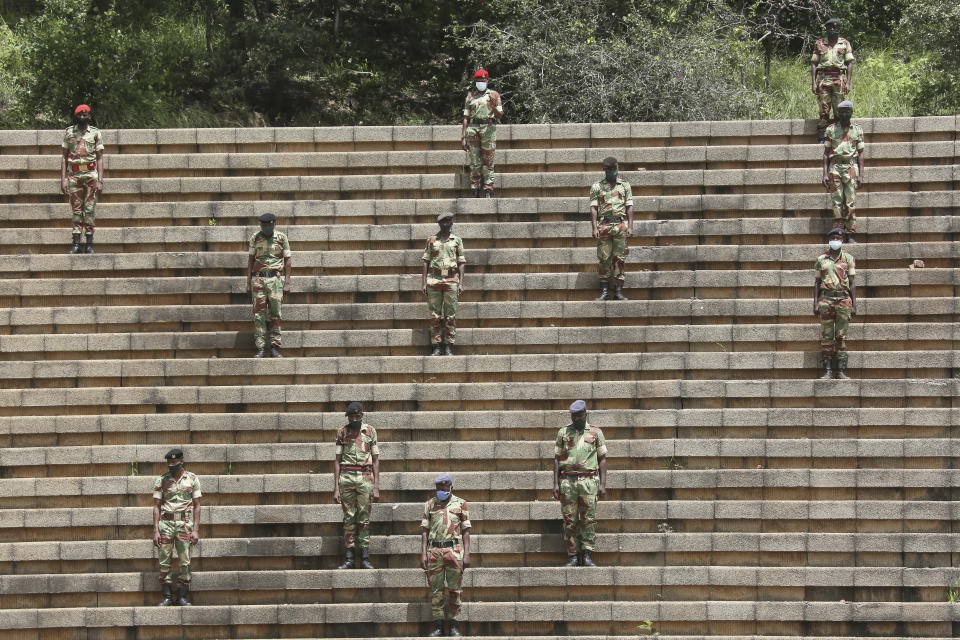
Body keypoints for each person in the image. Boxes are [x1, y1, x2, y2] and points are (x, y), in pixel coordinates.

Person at [553, 400, 607, 567]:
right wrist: (555, 484)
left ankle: (587, 554)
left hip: (589, 481)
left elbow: (602, 459)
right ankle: (573, 555)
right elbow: (556, 459)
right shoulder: (563, 432)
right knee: (569, 520)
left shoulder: (596, 433)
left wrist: (603, 484)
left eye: (580, 416)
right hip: (568, 481)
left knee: (588, 519)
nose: (577, 419)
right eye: (574, 416)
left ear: (585, 414)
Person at [421, 473, 471, 637]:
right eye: (438, 488)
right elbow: (424, 532)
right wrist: (423, 554)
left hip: (454, 552)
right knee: (436, 591)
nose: (441, 490)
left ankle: (454, 626)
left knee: (455, 590)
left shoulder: (461, 504)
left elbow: (466, 531)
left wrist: (467, 554)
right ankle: (439, 626)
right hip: (434, 552)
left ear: (451, 487)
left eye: (444, 488)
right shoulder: (429, 504)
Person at [333, 402, 380, 570]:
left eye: (357, 416)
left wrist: (376, 486)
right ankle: (349, 559)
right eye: (351, 417)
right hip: (346, 477)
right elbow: (337, 461)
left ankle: (365, 558)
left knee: (364, 519)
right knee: (348, 519)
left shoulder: (370, 431)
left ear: (362, 415)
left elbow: (375, 459)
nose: (354, 419)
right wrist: (336, 487)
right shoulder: (342, 432)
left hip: (365, 477)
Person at [152, 448, 201, 606]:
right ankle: (166, 596)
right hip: (165, 525)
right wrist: (155, 531)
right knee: (164, 561)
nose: (171, 465)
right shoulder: (162, 480)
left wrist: (195, 530)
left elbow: (197, 506)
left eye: (174, 462)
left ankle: (181, 596)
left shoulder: (192, 479)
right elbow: (156, 506)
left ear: (181, 462)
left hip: (184, 525)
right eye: (169, 463)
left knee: (185, 561)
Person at [246, 213, 291, 357]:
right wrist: (248, 282)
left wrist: (287, 281)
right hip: (259, 280)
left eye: (268, 225)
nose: (265, 228)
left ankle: (274, 347)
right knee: (258, 315)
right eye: (263, 225)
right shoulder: (255, 237)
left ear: (273, 224)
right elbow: (251, 260)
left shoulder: (281, 238)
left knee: (275, 314)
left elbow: (288, 259)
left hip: (276, 280)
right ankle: (260, 347)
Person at [814, 228, 857, 380]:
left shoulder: (848, 258)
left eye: (838, 238)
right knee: (827, 336)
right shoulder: (821, 259)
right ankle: (827, 370)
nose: (835, 240)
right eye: (833, 237)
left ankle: (840, 369)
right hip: (826, 299)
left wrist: (854, 304)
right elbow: (817, 282)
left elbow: (852, 283)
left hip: (843, 300)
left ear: (842, 240)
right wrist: (815, 303)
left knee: (841, 336)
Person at [61, 104, 104, 254]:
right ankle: (76, 244)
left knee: (90, 210)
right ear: (76, 116)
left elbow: (100, 158)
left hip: (91, 174)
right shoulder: (69, 132)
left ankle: (89, 244)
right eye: (80, 115)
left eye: (85, 115)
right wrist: (63, 179)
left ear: (89, 116)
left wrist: (100, 180)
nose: (82, 117)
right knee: (77, 210)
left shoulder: (95, 133)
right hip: (74, 175)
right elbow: (64, 157)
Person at [589, 157, 634, 301]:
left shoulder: (625, 185)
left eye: (615, 169)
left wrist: (630, 226)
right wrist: (594, 227)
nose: (613, 172)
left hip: (620, 225)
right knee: (604, 259)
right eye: (610, 170)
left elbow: (629, 206)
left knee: (620, 258)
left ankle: (619, 291)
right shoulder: (597, 186)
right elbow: (594, 208)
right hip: (604, 226)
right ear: (605, 171)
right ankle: (604, 291)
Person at [421, 212, 466, 356]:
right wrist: (423, 282)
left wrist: (461, 283)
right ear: (439, 223)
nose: (448, 224)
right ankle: (437, 346)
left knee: (450, 315)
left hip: (452, 280)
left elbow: (461, 261)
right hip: (434, 279)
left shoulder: (457, 240)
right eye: (444, 222)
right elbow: (426, 261)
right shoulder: (432, 240)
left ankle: (449, 345)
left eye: (450, 221)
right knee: (435, 315)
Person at [822, 100, 865, 243]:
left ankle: (850, 233)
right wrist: (824, 174)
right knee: (837, 202)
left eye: (847, 112)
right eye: (841, 112)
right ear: (838, 113)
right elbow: (826, 153)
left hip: (851, 167)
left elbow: (861, 153)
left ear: (851, 112)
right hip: (835, 168)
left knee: (850, 202)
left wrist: (861, 176)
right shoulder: (830, 129)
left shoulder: (857, 130)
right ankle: (838, 233)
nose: (844, 114)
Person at [460, 69, 503, 198]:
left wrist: (492, 106)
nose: (481, 83)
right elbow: (466, 117)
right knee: (474, 161)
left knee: (488, 160)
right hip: (473, 128)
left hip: (488, 128)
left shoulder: (494, 95)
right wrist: (463, 137)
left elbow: (500, 115)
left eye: (483, 80)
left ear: (487, 81)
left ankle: (488, 188)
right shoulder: (470, 96)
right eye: (478, 81)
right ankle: (475, 188)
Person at [810, 18, 854, 143]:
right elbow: (814, 63)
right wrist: (813, 82)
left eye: (835, 27)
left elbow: (849, 63)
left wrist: (848, 82)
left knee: (839, 109)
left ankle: (838, 135)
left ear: (839, 29)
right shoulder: (819, 43)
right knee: (824, 109)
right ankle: (823, 136)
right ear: (827, 29)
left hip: (839, 79)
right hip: (823, 79)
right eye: (830, 27)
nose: (833, 29)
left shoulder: (844, 43)